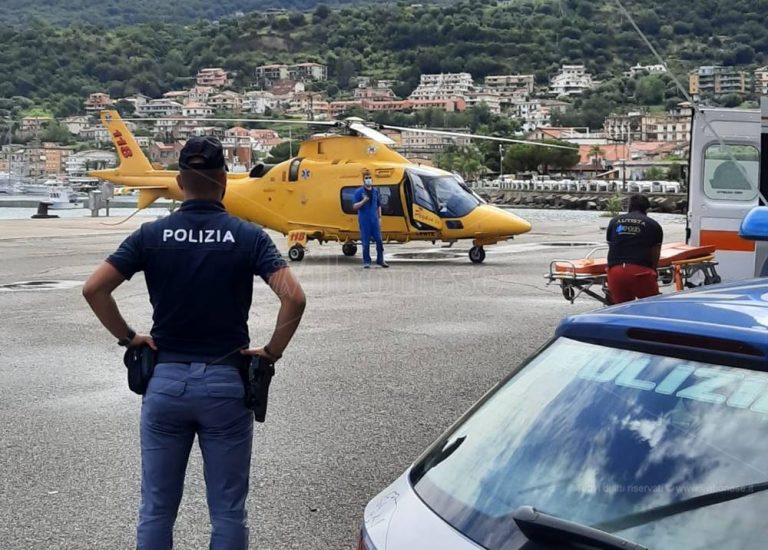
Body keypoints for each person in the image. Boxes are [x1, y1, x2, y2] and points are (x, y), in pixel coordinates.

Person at [82, 136, 306, 550]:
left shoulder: (150, 236)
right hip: (225, 384)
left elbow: (95, 289)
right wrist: (271, 352)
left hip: (165, 381)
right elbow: (293, 297)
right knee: (227, 511)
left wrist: (130, 338)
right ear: (223, 180)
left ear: (181, 182)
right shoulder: (248, 237)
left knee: (156, 508)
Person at [606, 193, 663, 304]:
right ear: (647, 209)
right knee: (651, 308)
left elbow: (611, 245)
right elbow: (655, 252)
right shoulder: (653, 225)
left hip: (615, 271)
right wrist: (654, 271)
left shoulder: (614, 222)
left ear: (629, 206)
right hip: (640, 272)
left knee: (621, 309)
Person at [352, 170, 388, 268]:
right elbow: (354, 206)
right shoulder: (359, 192)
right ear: (363, 180)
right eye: (366, 178)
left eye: (369, 177)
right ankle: (366, 261)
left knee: (379, 240)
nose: (368, 179)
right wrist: (363, 201)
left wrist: (380, 217)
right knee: (366, 242)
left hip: (375, 220)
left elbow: (378, 205)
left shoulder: (375, 191)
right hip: (364, 221)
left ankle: (380, 260)